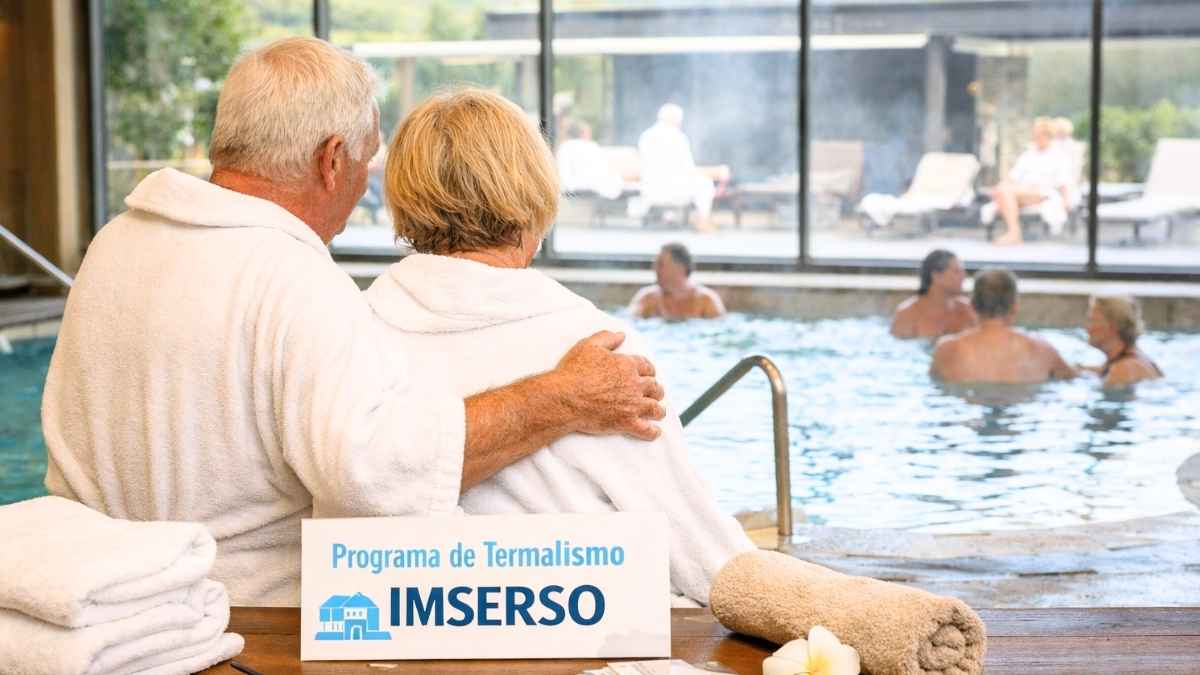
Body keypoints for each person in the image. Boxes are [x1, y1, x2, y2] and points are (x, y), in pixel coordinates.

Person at [40, 38, 665, 607]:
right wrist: (559, 397)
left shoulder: (114, 245)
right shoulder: (291, 278)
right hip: (240, 620)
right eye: (366, 158)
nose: (368, 180)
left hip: (101, 604)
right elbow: (373, 479)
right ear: (331, 160)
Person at [364, 88, 753, 605]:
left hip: (391, 631)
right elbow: (705, 557)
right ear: (534, 196)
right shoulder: (594, 348)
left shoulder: (356, 328)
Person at [931, 268, 1076, 384]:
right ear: (1015, 307)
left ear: (973, 306)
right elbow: (1073, 377)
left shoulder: (946, 349)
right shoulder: (1042, 349)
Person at [636, 104, 726, 232]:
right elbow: (687, 170)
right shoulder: (677, 138)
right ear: (675, 119)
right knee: (704, 184)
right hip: (670, 189)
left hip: (649, 189)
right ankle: (703, 220)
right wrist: (716, 172)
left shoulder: (646, 136)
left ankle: (669, 216)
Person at [987, 117, 1074, 246]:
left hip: (1043, 193)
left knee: (1004, 192)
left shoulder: (1059, 156)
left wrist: (1066, 201)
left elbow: (1064, 182)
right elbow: (1013, 176)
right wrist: (1000, 187)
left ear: (1047, 136)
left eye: (1038, 134)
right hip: (1021, 191)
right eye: (1034, 134)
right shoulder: (1028, 154)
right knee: (1003, 190)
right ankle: (1014, 233)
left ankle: (1014, 233)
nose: (1034, 137)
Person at [890, 249, 977, 339]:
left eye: (962, 271)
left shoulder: (968, 310)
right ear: (936, 275)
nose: (963, 276)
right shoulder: (908, 314)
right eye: (957, 272)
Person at [1080, 295, 1163, 387]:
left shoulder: (1122, 370)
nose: (1087, 328)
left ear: (1112, 326)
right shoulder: (1130, 359)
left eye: (1093, 321)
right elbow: (1099, 371)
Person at [630, 243, 726, 320]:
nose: (655, 269)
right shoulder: (647, 299)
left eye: (660, 264)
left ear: (680, 268)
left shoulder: (706, 301)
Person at [556, 119, 623, 200]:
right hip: (595, 193)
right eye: (588, 133)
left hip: (575, 194)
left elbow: (563, 179)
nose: (590, 136)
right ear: (582, 133)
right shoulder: (591, 146)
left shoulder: (565, 147)